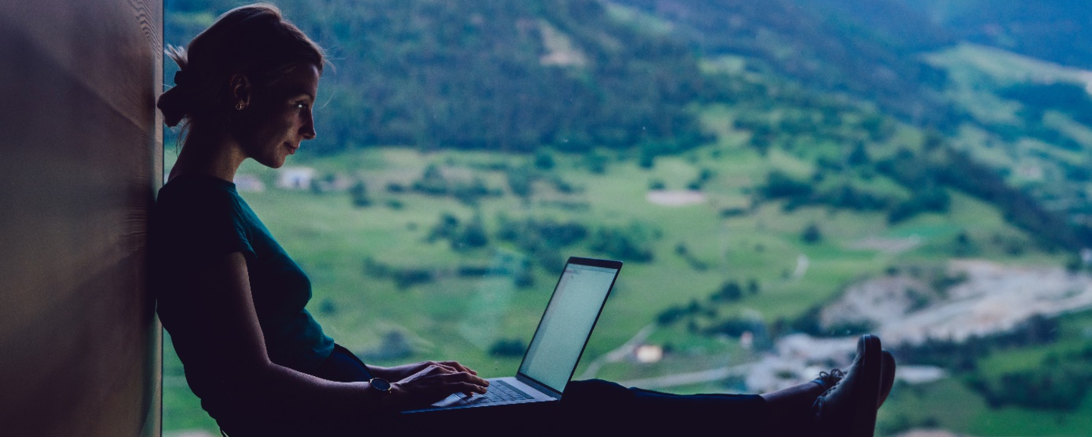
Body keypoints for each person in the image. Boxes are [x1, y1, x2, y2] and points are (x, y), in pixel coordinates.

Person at [151, 4, 896, 437]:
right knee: (592, 411)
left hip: (364, 408)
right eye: (300, 105)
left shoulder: (212, 204)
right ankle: (804, 415)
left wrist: (399, 373)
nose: (308, 130)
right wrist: (386, 398)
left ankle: (805, 407)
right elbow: (248, 388)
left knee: (574, 399)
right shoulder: (199, 213)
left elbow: (297, 359)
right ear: (243, 91)